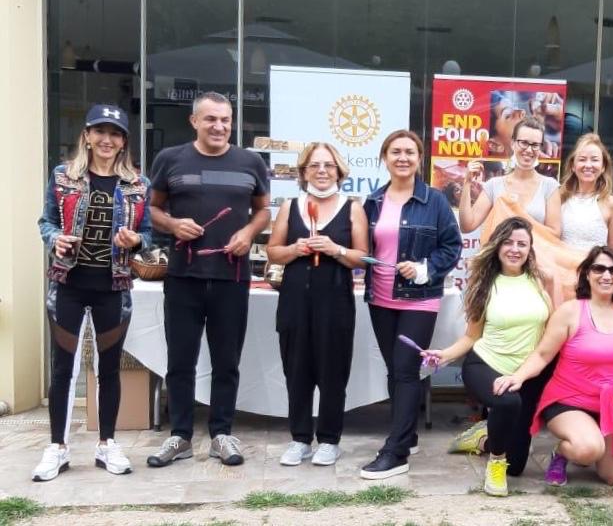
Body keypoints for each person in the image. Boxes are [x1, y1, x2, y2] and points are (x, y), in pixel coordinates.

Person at [147, 92, 271, 468]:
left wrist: (248, 233)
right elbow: (153, 209)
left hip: (231, 278)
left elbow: (263, 211)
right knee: (180, 360)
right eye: (211, 119)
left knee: (226, 361)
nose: (219, 126)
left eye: (225, 120)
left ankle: (221, 433)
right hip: (183, 277)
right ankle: (180, 436)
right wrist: (173, 224)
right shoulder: (170, 159)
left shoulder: (250, 162)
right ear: (194, 122)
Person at [33, 104, 152, 481]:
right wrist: (56, 238)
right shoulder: (62, 177)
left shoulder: (138, 184)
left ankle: (107, 444)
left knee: (109, 368)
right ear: (86, 135)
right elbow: (47, 221)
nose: (107, 140)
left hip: (113, 287)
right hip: (68, 285)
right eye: (100, 131)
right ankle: (58, 447)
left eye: (115, 134)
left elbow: (148, 234)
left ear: (124, 142)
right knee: (63, 368)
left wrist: (136, 241)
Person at [493, 247, 613, 486]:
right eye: (599, 269)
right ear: (587, 274)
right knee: (588, 449)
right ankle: (562, 453)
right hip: (569, 400)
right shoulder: (570, 311)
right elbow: (542, 355)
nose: (607, 275)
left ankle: (589, 438)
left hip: (610, 404)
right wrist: (518, 377)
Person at [423, 217, 552, 496]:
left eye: (522, 244)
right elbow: (472, 337)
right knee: (507, 402)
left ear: (530, 249)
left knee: (517, 465)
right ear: (497, 246)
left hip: (527, 373)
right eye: (508, 242)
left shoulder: (540, 281)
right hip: (487, 364)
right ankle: (495, 462)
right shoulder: (484, 285)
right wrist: (444, 355)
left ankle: (483, 437)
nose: (515, 249)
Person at [361, 130, 463, 479]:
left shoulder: (435, 201)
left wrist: (424, 268)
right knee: (395, 369)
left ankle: (396, 451)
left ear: (420, 159)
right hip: (380, 297)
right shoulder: (373, 200)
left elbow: (452, 246)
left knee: (406, 369)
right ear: (384, 157)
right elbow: (364, 247)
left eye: (410, 152)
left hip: (419, 298)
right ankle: (407, 433)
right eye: (395, 152)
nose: (402, 158)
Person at [265, 142, 368, 467]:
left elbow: (362, 258)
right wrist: (294, 249)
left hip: (335, 304)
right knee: (296, 371)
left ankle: (329, 439)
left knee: (333, 371)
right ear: (303, 172)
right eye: (314, 165)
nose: (322, 171)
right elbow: (272, 251)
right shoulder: (290, 206)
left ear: (339, 171)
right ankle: (299, 438)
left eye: (328, 165)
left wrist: (336, 249)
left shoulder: (352, 208)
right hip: (294, 302)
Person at [460, 117, 560, 232]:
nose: (529, 150)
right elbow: (467, 226)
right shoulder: (494, 185)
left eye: (535, 145)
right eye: (524, 143)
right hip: (498, 245)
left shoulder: (550, 186)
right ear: (513, 143)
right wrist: (467, 183)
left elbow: (555, 233)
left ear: (540, 147)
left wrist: (518, 221)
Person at [544, 133, 613, 253]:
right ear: (573, 166)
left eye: (594, 160)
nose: (588, 165)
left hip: (595, 264)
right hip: (562, 263)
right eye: (582, 159)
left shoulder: (612, 203)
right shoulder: (557, 197)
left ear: (603, 167)